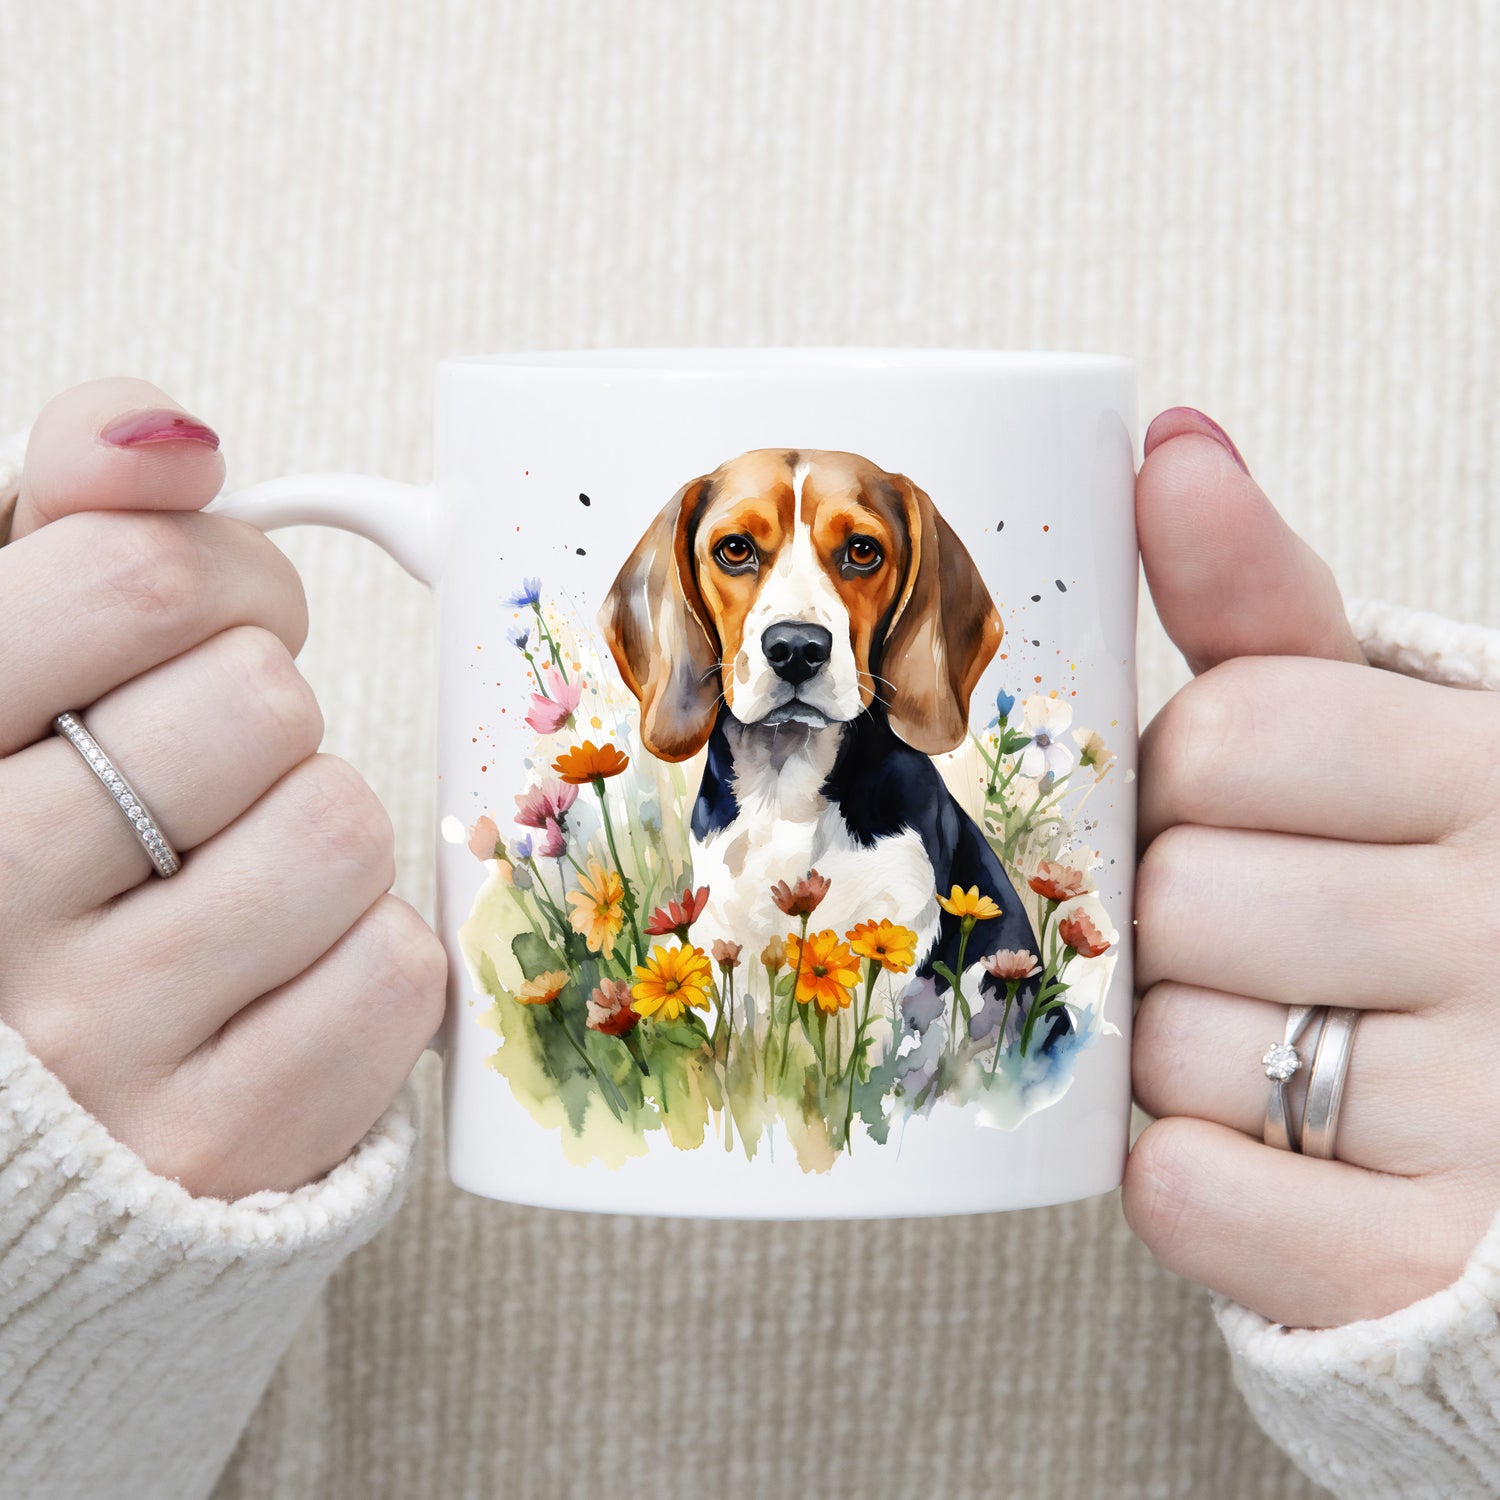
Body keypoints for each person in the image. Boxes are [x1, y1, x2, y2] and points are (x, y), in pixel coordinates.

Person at [0, 381, 1497, 1500]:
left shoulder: (918, 837)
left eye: (850, 560)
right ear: (681, 610)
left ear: (909, 602)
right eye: (743, 561)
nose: (793, 613)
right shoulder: (697, 799)